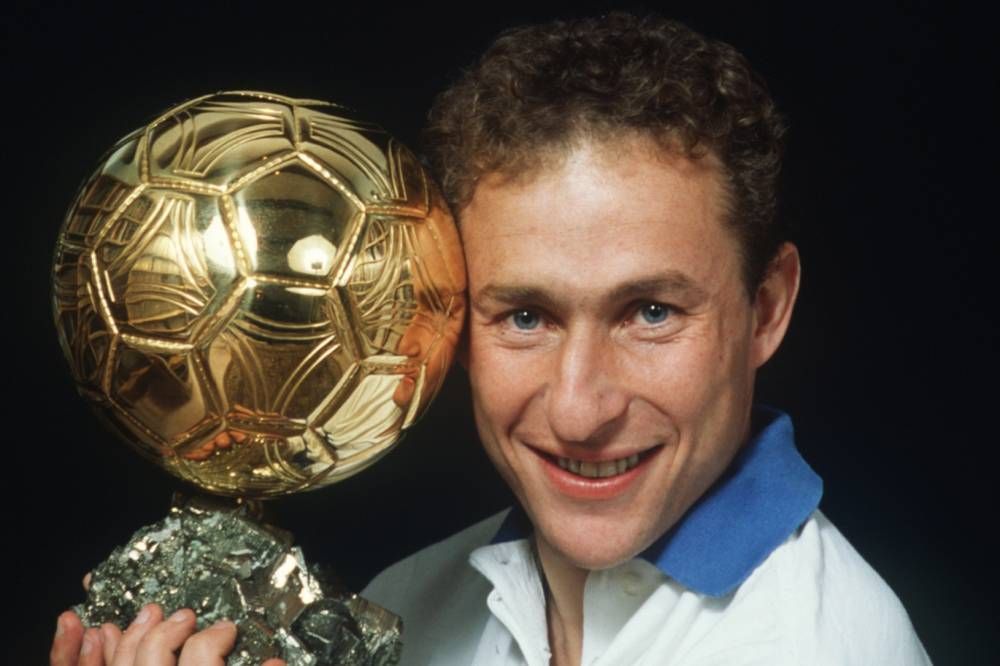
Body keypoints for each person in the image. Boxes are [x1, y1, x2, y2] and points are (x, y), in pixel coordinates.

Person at [50, 12, 930, 666]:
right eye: (526, 317)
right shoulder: (411, 605)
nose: (580, 409)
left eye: (650, 312)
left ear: (767, 308)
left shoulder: (822, 645)